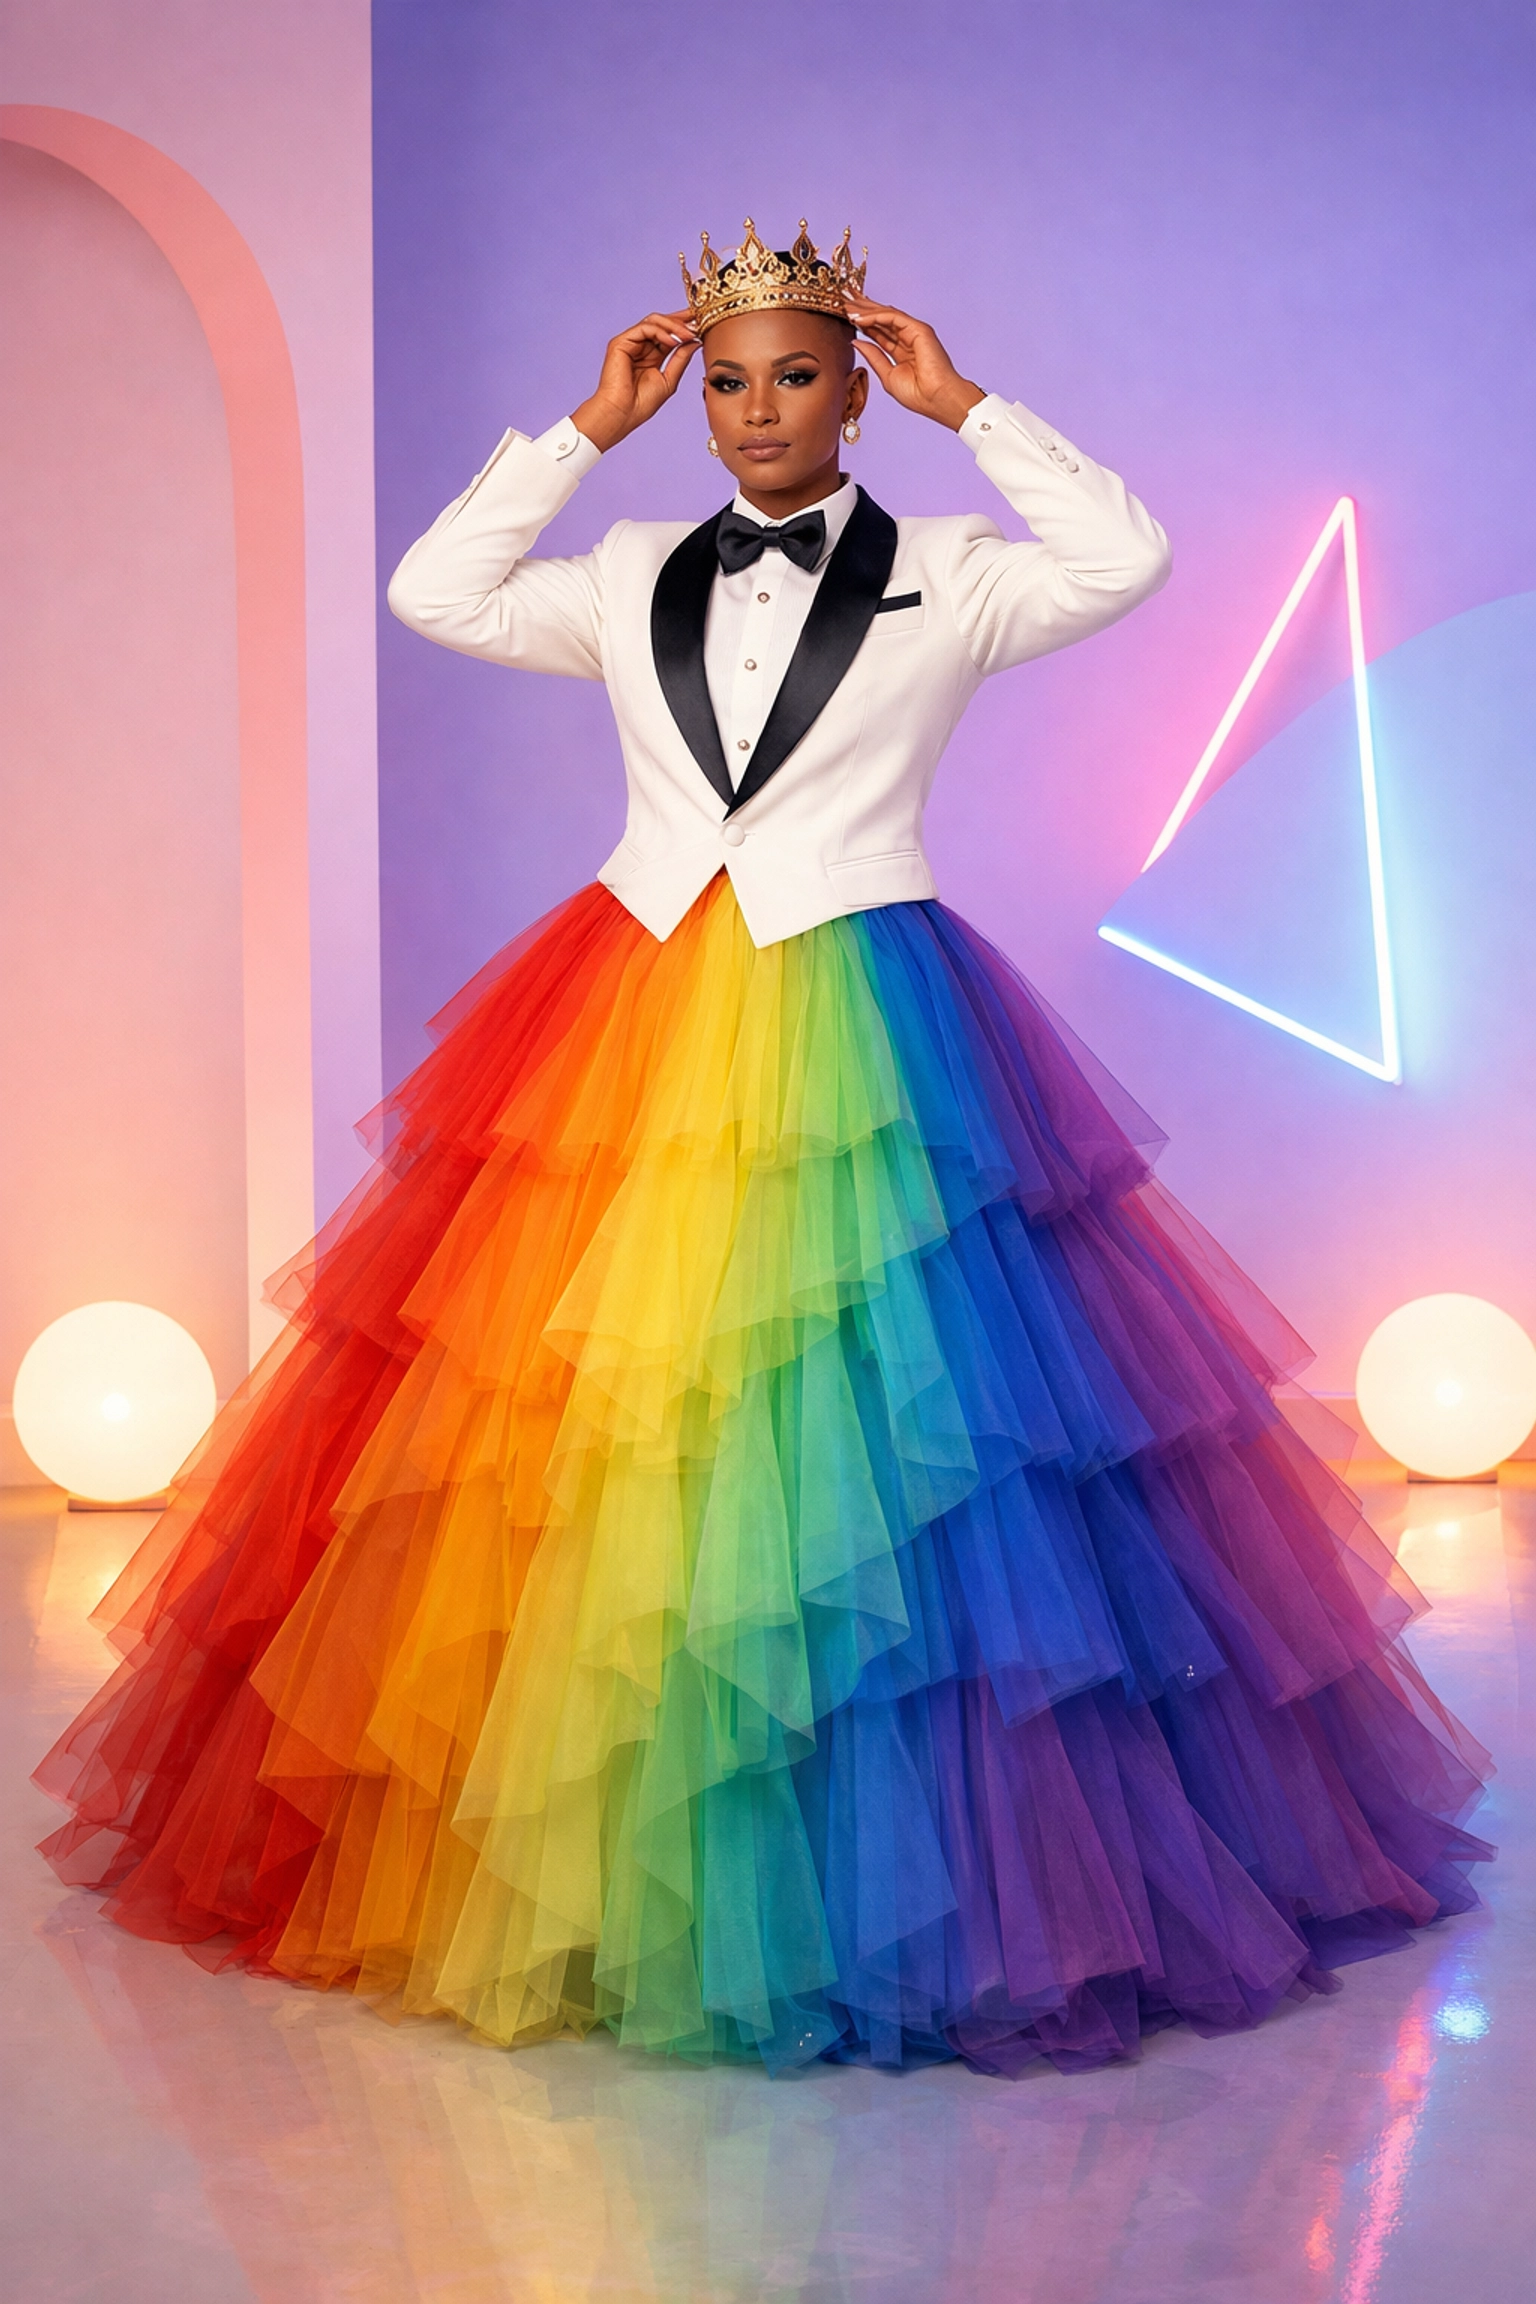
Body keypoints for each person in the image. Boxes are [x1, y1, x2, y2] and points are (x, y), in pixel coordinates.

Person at [37, 223, 1491, 2077]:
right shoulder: (630, 565)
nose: (753, 414)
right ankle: (620, 1844)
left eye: (794, 375)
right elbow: (432, 590)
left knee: (903, 1427)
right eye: (725, 383)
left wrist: (975, 407)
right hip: (631, 1005)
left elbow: (1124, 557)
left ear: (857, 384)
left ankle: (901, 1871)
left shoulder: (950, 571)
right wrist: (582, 427)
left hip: (868, 1011)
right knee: (610, 1421)